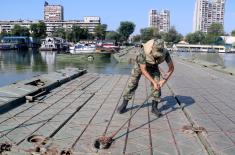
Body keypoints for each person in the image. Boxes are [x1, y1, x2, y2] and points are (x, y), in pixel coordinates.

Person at [117, 39, 174, 117]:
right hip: (140, 65)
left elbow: (171, 68)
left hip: (153, 66)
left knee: (157, 86)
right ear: (152, 48)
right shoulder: (143, 52)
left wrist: (163, 81)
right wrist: (153, 82)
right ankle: (124, 103)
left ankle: (154, 107)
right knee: (132, 83)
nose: (157, 55)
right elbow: (143, 70)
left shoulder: (166, 53)